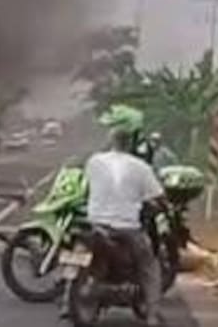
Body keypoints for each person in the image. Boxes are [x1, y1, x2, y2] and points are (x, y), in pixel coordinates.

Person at [87, 110, 166, 327]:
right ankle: (152, 316)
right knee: (150, 266)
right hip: (126, 229)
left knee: (86, 255)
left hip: (95, 223)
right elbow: (158, 197)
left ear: (111, 140)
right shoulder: (141, 167)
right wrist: (162, 206)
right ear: (131, 142)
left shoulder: (94, 162)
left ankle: (68, 304)